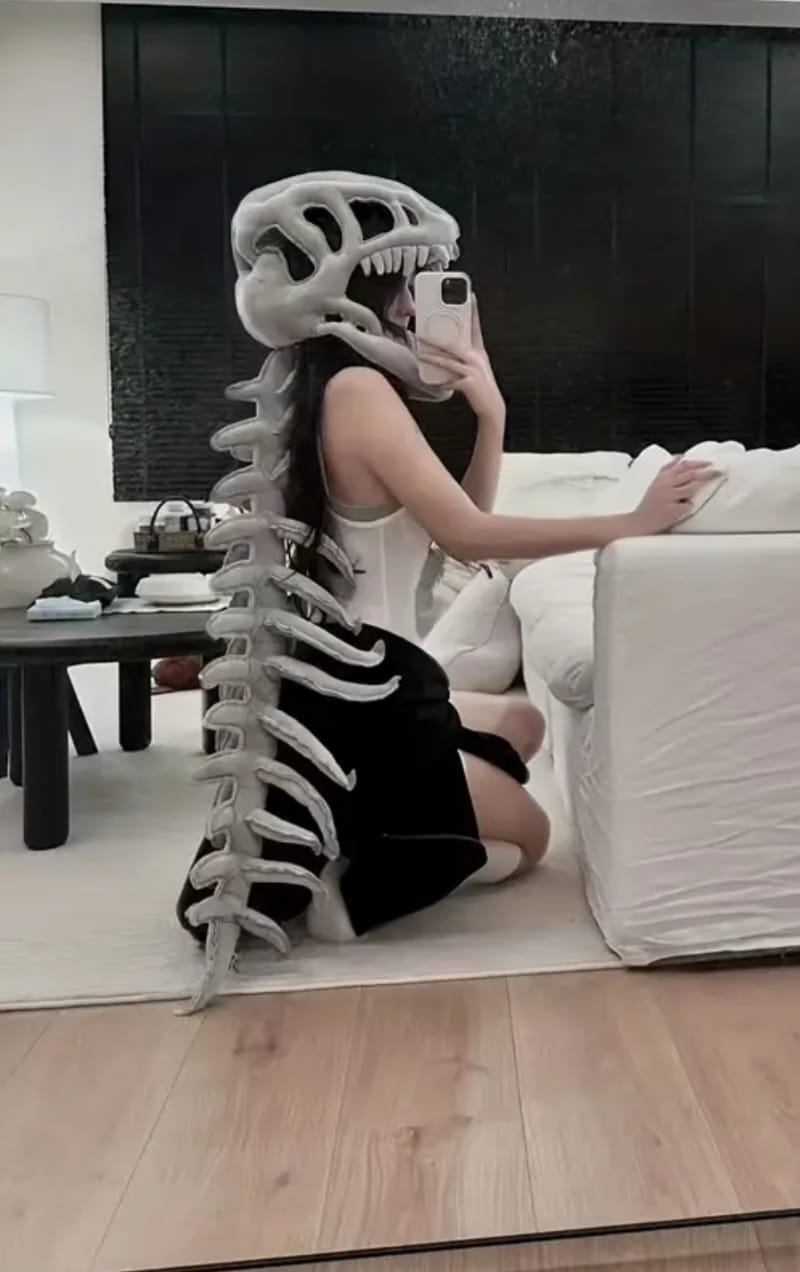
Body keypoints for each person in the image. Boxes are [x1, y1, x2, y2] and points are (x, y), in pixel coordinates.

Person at [179, 199, 717, 945]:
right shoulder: (358, 391)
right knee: (532, 838)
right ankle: (349, 889)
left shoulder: (316, 382)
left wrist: (490, 413)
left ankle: (374, 817)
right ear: (356, 292)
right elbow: (470, 532)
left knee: (524, 723)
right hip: (366, 697)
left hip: (362, 678)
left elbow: (460, 528)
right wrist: (632, 522)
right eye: (402, 287)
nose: (412, 308)